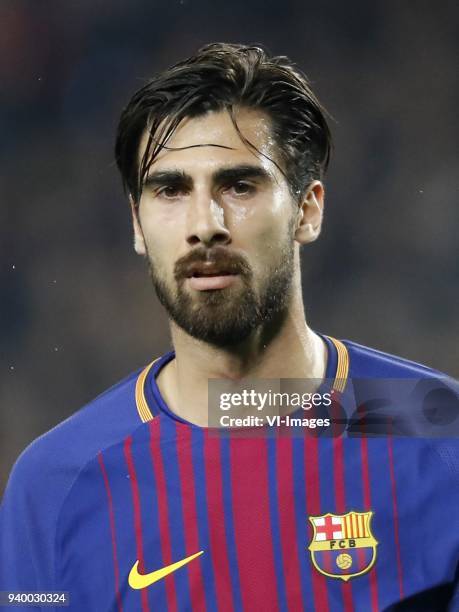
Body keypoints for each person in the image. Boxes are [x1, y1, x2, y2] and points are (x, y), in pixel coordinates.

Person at [1, 43, 458, 612]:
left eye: (239, 186)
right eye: (170, 190)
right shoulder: (55, 484)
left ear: (307, 209)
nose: (204, 225)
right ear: (137, 224)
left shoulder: (439, 429)